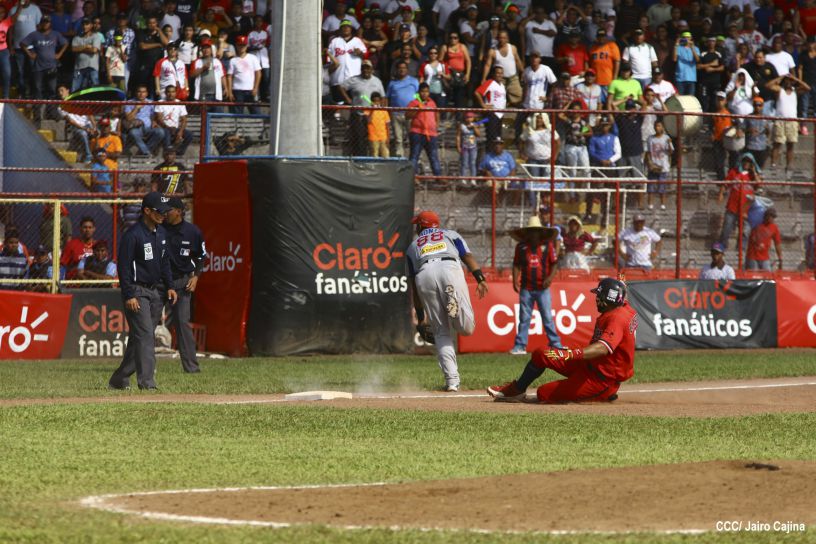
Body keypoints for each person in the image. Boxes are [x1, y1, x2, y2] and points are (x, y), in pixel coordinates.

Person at [488, 277, 636, 403]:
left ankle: (604, 395)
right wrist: (620, 285)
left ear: (610, 299)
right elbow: (623, 299)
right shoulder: (621, 306)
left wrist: (570, 354)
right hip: (590, 366)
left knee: (544, 393)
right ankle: (517, 390)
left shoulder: (617, 318)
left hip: (602, 380)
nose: (597, 299)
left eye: (600, 296)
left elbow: (602, 348)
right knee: (542, 353)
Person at [407, 210, 488, 392]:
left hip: (424, 274)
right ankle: (453, 304)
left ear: (421, 226)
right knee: (466, 329)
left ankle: (452, 382)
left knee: (441, 332)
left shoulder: (412, 246)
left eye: (417, 225)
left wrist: (421, 319)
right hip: (449, 268)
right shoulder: (451, 234)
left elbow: (414, 286)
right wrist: (480, 278)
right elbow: (467, 257)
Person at [109, 192, 178, 391]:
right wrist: (129, 294)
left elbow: (165, 262)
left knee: (139, 338)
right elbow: (123, 267)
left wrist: (170, 286)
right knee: (146, 335)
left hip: (156, 292)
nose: (163, 215)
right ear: (146, 211)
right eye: (159, 211)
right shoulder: (133, 235)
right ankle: (147, 383)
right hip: (137, 292)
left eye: (165, 211)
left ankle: (119, 378)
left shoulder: (162, 233)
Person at [163, 197, 208, 373]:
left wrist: (195, 276)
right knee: (147, 324)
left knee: (182, 323)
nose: (165, 213)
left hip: (182, 282)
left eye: (169, 210)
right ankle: (140, 367)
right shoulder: (159, 229)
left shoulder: (193, 232)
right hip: (160, 283)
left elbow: (201, 256)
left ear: (179, 212)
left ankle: (192, 369)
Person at [508, 216, 562, 355]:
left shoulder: (547, 246)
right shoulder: (521, 247)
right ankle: (520, 346)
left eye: (536, 231)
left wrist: (550, 278)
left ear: (540, 232)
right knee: (524, 318)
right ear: (527, 232)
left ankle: (555, 344)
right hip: (526, 287)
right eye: (531, 231)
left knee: (547, 317)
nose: (533, 234)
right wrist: (515, 280)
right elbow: (516, 264)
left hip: (543, 289)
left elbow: (555, 263)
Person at [20, 15, 68, 124]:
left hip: (52, 67)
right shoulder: (35, 35)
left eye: (47, 22)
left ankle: (51, 113)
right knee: (37, 91)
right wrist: (30, 54)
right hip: (38, 68)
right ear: (41, 23)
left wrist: (59, 54)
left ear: (50, 23)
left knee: (51, 91)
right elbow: (22, 44)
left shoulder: (55, 34)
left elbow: (65, 43)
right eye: (44, 22)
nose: (45, 24)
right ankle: (37, 116)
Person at [340, 59, 385, 157]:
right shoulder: (354, 80)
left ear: (371, 69)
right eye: (364, 68)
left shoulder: (377, 81)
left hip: (373, 115)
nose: (366, 70)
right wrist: (348, 100)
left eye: (368, 68)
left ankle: (373, 158)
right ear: (361, 69)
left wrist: (383, 111)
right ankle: (360, 159)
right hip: (358, 114)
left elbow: (383, 97)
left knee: (373, 137)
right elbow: (342, 87)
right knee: (359, 139)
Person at [767, 74, 811, 170]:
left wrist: (796, 79)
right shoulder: (780, 91)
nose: (788, 82)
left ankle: (789, 165)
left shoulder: (795, 92)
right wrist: (781, 77)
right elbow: (768, 86)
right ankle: (773, 164)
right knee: (777, 144)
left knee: (790, 144)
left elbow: (807, 88)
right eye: (787, 80)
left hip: (792, 121)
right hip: (780, 121)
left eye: (790, 81)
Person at [719, 153, 761, 250]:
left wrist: (754, 171)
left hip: (746, 209)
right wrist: (721, 194)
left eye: (749, 161)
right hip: (732, 207)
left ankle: (740, 251)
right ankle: (721, 249)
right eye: (745, 161)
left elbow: (758, 185)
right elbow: (726, 184)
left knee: (745, 232)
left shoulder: (753, 175)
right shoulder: (734, 172)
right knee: (726, 230)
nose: (746, 163)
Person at [406, 82, 441, 176]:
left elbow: (437, 114)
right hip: (417, 133)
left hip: (431, 134)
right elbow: (407, 116)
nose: (424, 93)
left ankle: (438, 177)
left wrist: (436, 126)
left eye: (426, 91)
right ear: (419, 92)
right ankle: (411, 177)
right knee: (414, 156)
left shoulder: (432, 103)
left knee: (434, 157)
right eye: (422, 91)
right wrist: (417, 108)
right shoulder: (414, 102)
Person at [385, 60, 419, 157]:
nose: (402, 70)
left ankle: (414, 158)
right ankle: (400, 157)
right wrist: (388, 112)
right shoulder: (392, 83)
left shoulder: (414, 81)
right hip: (396, 114)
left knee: (412, 137)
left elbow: (418, 96)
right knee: (398, 138)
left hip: (410, 113)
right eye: (400, 68)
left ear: (407, 70)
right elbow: (387, 98)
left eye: (404, 68)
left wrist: (419, 108)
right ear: (396, 70)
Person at [124, 84, 165, 156]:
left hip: (149, 127)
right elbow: (128, 118)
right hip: (136, 128)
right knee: (133, 133)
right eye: (139, 92)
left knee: (160, 132)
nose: (141, 94)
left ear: (146, 93)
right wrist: (136, 108)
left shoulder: (150, 102)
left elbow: (153, 116)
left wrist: (154, 121)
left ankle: (142, 151)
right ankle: (146, 153)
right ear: (136, 93)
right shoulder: (129, 102)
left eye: (143, 92)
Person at [226, 34, 261, 113]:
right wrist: (230, 92)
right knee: (237, 114)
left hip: (250, 90)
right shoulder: (233, 60)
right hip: (237, 90)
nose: (241, 47)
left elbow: (258, 73)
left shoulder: (253, 58)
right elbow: (229, 77)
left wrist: (255, 88)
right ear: (236, 46)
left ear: (247, 46)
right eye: (239, 45)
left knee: (256, 113)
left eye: (243, 45)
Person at [153, 84, 192, 154]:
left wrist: (180, 131)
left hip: (175, 128)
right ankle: (167, 153)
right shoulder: (160, 102)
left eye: (173, 92)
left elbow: (184, 120)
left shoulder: (180, 103)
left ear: (176, 93)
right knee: (166, 132)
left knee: (189, 135)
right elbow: (159, 119)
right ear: (165, 93)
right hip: (164, 127)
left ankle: (179, 153)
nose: (171, 94)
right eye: (168, 92)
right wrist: (168, 127)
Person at [644, 119, 673, 210]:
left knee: (662, 186)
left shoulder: (666, 138)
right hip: (653, 165)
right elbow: (648, 152)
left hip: (663, 165)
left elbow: (671, 151)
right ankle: (650, 204)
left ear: (662, 127)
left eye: (659, 126)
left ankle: (662, 204)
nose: (657, 128)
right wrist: (649, 163)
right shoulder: (650, 138)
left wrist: (669, 143)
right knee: (651, 186)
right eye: (656, 126)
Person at [474, 65, 507, 142]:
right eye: (498, 73)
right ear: (493, 74)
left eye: (501, 73)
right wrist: (483, 104)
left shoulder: (502, 85)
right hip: (492, 113)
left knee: (498, 137)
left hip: (500, 114)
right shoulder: (489, 82)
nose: (500, 75)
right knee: (491, 137)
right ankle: (489, 152)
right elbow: (477, 92)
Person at [189, 37, 226, 105]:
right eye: (204, 48)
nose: (206, 50)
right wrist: (202, 68)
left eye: (208, 48)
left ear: (211, 50)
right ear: (201, 50)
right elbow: (192, 75)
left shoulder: (217, 61)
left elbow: (222, 76)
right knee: (204, 115)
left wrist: (225, 88)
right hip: (202, 95)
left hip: (216, 95)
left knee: (217, 115)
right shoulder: (197, 62)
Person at [672, 31, 699, 96]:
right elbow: (674, 59)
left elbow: (697, 60)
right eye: (684, 38)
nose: (686, 39)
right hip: (680, 78)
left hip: (691, 78)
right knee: (680, 99)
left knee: (690, 99)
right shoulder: (679, 48)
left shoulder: (695, 48)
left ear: (691, 38)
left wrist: (692, 47)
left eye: (688, 37)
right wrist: (676, 45)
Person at [456, 111, 479, 183]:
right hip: (464, 147)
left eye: (471, 117)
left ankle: (473, 178)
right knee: (464, 163)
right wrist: (458, 146)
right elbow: (458, 136)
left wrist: (474, 128)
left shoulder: (475, 125)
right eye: (467, 117)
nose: (469, 119)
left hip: (473, 147)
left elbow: (478, 134)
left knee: (472, 163)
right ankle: (463, 178)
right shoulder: (461, 125)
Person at [366, 92, 390, 158]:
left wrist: (388, 137)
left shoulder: (384, 111)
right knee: (374, 154)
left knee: (385, 154)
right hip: (373, 136)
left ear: (380, 101)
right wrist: (372, 110)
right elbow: (368, 121)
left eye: (378, 101)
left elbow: (387, 125)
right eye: (374, 101)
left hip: (383, 136)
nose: (376, 103)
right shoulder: (368, 110)